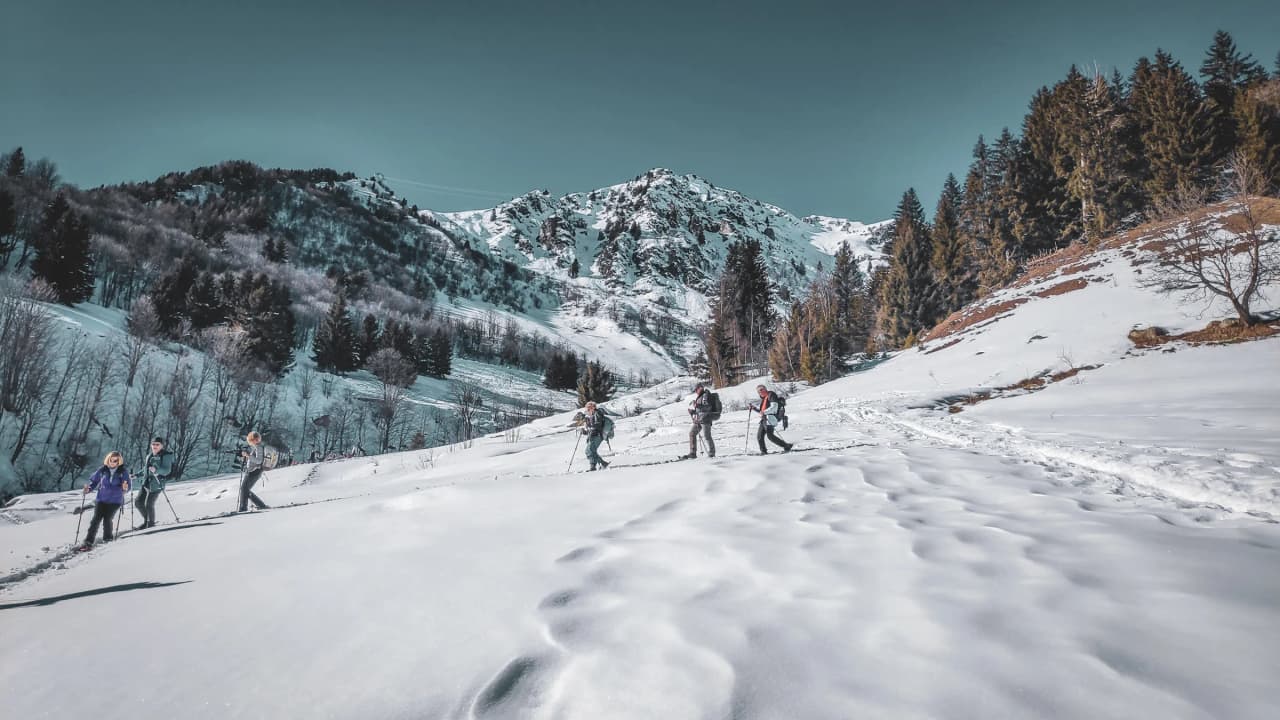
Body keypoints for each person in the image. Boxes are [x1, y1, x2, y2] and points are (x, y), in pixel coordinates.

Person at [79, 451, 131, 549]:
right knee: (95, 520)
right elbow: (94, 482)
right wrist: (88, 489)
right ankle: (88, 541)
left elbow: (128, 487)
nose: (112, 462)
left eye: (115, 460)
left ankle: (108, 539)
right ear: (108, 459)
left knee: (107, 519)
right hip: (101, 499)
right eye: (111, 460)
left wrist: (125, 487)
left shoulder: (123, 472)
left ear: (118, 461)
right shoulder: (103, 470)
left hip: (115, 500)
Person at [135, 436, 174, 529]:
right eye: (153, 444)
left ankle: (151, 524)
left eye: (157, 444)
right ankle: (146, 521)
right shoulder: (149, 455)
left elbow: (167, 470)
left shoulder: (166, 455)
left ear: (162, 446)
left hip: (157, 483)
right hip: (146, 482)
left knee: (148, 504)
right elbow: (145, 469)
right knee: (138, 502)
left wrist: (157, 470)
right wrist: (136, 475)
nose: (155, 446)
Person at [750, 384, 793, 454]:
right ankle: (763, 451)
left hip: (770, 419)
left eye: (761, 390)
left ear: (765, 389)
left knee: (770, 436)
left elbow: (774, 407)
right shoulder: (764, 398)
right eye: (758, 391)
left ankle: (786, 446)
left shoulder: (771, 395)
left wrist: (764, 412)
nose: (760, 392)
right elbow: (762, 412)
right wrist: (754, 408)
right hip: (764, 419)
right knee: (759, 436)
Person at [680, 383, 716, 459]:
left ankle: (712, 453)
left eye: (696, 389)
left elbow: (708, 407)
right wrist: (693, 411)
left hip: (706, 419)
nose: (696, 391)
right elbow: (700, 410)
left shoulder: (706, 395)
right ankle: (693, 453)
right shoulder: (700, 396)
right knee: (692, 433)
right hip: (699, 419)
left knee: (707, 436)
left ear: (700, 388)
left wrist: (697, 405)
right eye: (695, 390)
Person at [237, 431, 271, 513]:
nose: (250, 442)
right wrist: (246, 457)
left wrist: (248, 456)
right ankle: (260, 505)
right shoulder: (256, 447)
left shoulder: (258, 447)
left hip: (254, 471)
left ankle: (243, 508)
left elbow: (259, 461)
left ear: (254, 440)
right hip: (252, 471)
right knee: (245, 490)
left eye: (250, 440)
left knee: (244, 489)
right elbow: (253, 460)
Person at [580, 401, 610, 471]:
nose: (588, 409)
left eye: (589, 407)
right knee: (591, 451)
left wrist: (590, 429)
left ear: (593, 407)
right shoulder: (590, 415)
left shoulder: (597, 413)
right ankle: (602, 464)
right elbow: (591, 428)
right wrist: (585, 431)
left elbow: (597, 425)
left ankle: (594, 466)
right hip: (593, 435)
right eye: (587, 407)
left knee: (589, 451)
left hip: (597, 435)